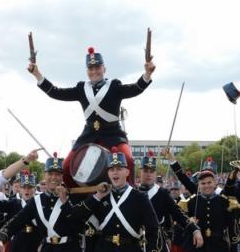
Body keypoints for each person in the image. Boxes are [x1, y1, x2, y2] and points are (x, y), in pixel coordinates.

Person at [28, 46, 155, 186]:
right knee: (66, 168)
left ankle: (129, 194)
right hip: (88, 135)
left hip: (113, 134)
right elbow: (56, 93)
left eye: (97, 68)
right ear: (87, 71)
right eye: (91, 69)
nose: (94, 71)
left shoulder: (114, 85)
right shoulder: (81, 88)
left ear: (104, 69)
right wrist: (37, 74)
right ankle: (74, 200)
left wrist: (147, 74)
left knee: (129, 160)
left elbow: (135, 89)